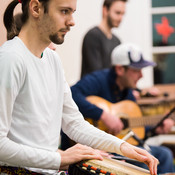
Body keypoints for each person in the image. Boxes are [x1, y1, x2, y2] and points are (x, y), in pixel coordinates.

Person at [0, 0, 158, 175]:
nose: (72, 21)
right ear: (36, 8)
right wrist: (61, 159)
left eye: (72, 12)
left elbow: (74, 124)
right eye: (64, 11)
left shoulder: (53, 60)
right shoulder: (10, 59)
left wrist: (122, 146)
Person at [69, 43, 175, 174]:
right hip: (92, 147)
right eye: (136, 70)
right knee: (141, 168)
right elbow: (72, 94)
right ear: (120, 69)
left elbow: (131, 131)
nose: (141, 75)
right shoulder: (98, 80)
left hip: (118, 147)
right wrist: (103, 115)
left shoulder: (128, 93)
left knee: (164, 155)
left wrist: (155, 129)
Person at [81, 0, 127, 78]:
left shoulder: (117, 41)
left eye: (123, 14)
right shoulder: (92, 36)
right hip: (93, 89)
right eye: (117, 13)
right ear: (105, 10)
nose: (120, 18)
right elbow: (97, 74)